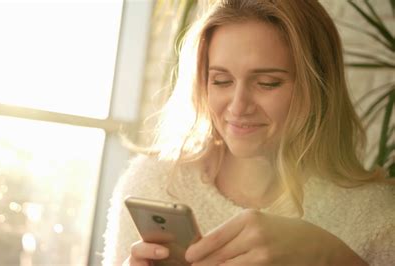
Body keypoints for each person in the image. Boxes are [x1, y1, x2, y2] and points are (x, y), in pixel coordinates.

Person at [102, 0, 395, 265]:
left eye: (267, 83)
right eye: (220, 80)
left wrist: (331, 256)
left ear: (319, 88)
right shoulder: (155, 183)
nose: (238, 106)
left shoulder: (376, 217)